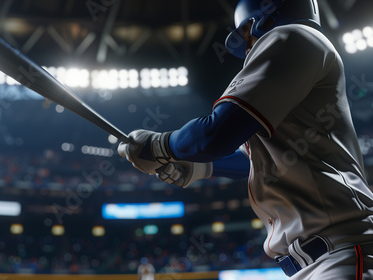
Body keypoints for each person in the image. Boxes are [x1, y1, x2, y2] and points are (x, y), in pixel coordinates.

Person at [118, 0, 373, 279]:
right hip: (328, 257)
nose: (248, 48)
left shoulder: (291, 37)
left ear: (260, 21)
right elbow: (257, 160)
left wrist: (159, 146)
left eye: (246, 35)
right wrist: (198, 167)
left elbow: (215, 135)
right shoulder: (303, 50)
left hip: (341, 253)